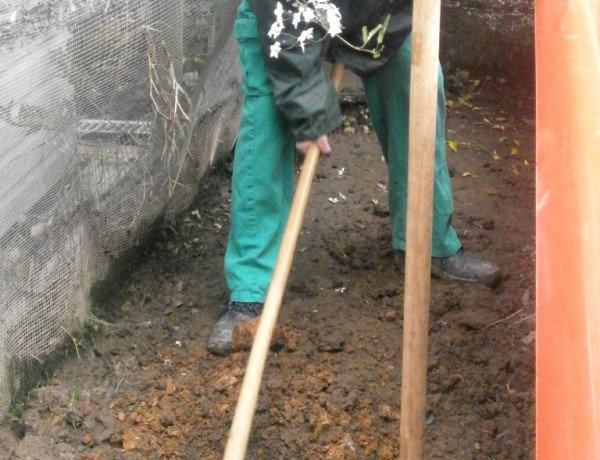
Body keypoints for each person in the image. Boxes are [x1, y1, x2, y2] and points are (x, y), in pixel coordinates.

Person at [207, 0, 501, 356]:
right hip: (281, 15)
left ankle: (427, 239)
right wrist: (305, 103)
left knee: (417, 80)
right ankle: (251, 290)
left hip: (373, 11)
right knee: (268, 117)